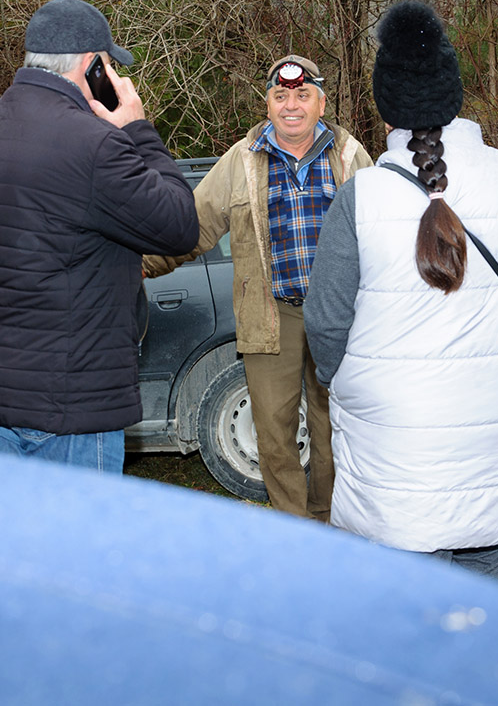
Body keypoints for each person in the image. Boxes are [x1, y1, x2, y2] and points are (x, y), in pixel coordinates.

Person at [304, 0, 498, 585]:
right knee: (484, 554)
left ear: (386, 106)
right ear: (454, 91)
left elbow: (325, 321)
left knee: (406, 576)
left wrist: (342, 377)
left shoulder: (361, 197)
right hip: (493, 404)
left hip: (393, 418)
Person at [0, 0, 199, 471]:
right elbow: (180, 226)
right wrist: (138, 129)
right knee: (79, 524)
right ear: (92, 66)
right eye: (109, 67)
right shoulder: (96, 144)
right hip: (72, 402)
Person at [143, 55, 372, 521]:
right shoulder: (240, 159)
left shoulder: (351, 155)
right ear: (267, 103)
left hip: (339, 313)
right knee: (273, 429)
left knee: (335, 425)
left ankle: (329, 520)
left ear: (321, 102)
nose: (292, 105)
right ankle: (293, 527)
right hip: (270, 314)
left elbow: (383, 231)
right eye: (281, 95)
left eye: (302, 95)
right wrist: (136, 265)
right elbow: (191, 227)